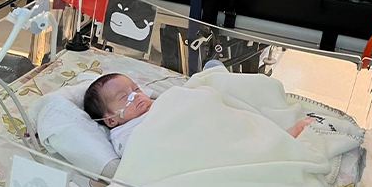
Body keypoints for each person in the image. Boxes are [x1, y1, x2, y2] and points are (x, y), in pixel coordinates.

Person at [84, 68, 314, 157]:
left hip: (204, 122)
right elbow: (144, 154)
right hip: (188, 145)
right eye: (124, 97)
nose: (136, 96)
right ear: (111, 119)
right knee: (230, 149)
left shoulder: (162, 101)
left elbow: (193, 103)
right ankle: (276, 145)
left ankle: (272, 134)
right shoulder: (123, 135)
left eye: (136, 89)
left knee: (233, 112)